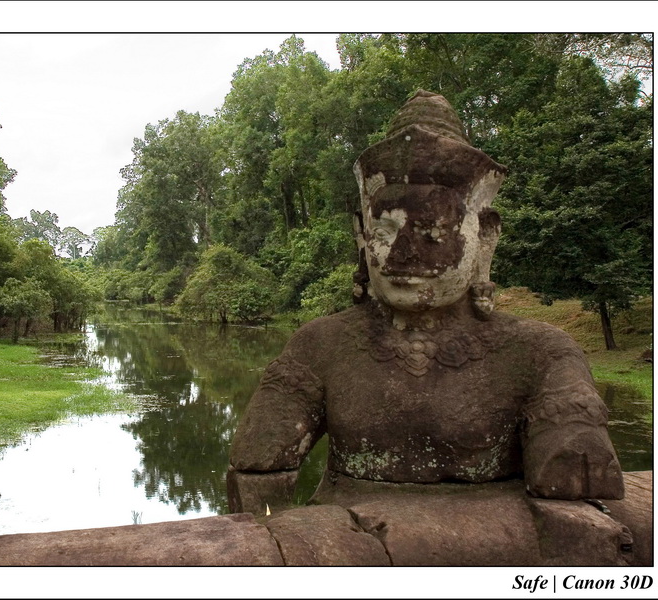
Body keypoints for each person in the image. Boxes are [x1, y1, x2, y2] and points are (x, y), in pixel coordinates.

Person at [226, 90, 624, 516]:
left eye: (432, 232)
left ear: (483, 236)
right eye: (385, 232)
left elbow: (576, 472)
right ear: (363, 238)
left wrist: (571, 439)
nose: (400, 256)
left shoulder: (541, 353)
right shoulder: (320, 346)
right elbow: (255, 468)